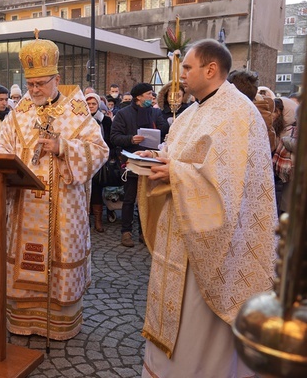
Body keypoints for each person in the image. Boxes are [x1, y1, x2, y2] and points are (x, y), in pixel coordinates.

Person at [136, 39, 276, 378]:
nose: (180, 75)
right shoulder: (191, 113)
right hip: (181, 235)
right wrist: (158, 159)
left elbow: (229, 185)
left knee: (201, 325)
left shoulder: (237, 113)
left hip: (215, 242)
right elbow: (182, 157)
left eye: (187, 67)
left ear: (210, 69)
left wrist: (176, 172)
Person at [0, 33, 108, 340]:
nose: (34, 90)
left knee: (60, 258)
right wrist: (3, 161)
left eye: (41, 84)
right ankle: (23, 320)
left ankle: (58, 323)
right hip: (25, 205)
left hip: (63, 207)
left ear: (57, 78)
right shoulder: (19, 112)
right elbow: (0, 146)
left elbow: (99, 150)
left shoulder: (77, 110)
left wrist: (62, 147)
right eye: (30, 84)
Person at [110, 82, 169, 247]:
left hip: (151, 160)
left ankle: (145, 232)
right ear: (139, 96)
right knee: (129, 198)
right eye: (149, 93)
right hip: (132, 161)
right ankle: (126, 232)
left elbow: (165, 129)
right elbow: (114, 137)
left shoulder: (156, 113)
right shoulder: (123, 114)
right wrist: (130, 139)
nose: (152, 96)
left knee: (149, 197)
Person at [86, 92, 113, 233]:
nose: (91, 106)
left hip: (99, 159)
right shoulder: (80, 120)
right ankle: (85, 220)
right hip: (84, 158)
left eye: (93, 104)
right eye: (88, 104)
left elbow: (109, 140)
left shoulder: (105, 121)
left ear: (98, 105)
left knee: (97, 190)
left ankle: (97, 220)